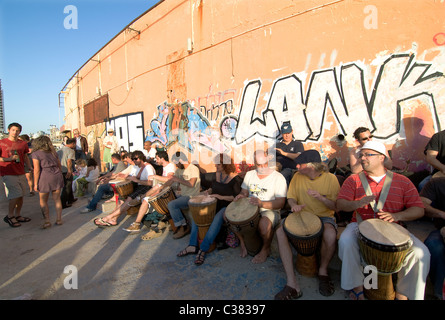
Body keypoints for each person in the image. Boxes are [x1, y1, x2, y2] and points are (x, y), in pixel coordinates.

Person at [337, 140, 430, 300]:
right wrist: (356, 204)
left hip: (393, 229)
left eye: (368, 155)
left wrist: (397, 216)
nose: (362, 158)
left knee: (421, 253)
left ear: (381, 158)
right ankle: (358, 289)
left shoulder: (403, 181)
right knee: (346, 241)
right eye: (361, 155)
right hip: (359, 225)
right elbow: (340, 204)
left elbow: (418, 209)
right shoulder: (353, 180)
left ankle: (404, 294)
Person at [274, 150, 340, 299]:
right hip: (301, 215)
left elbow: (335, 207)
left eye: (300, 164)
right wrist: (293, 205)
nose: (296, 166)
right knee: (280, 231)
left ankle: (323, 272)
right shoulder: (297, 176)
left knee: (330, 235)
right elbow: (291, 198)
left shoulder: (331, 179)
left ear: (311, 166)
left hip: (323, 217)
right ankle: (292, 284)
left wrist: (321, 198)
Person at [177, 153, 242, 265]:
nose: (215, 167)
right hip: (214, 203)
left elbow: (235, 197)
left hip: (228, 206)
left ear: (226, 164)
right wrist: (209, 191)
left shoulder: (235, 178)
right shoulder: (218, 174)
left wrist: (220, 196)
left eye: (218, 165)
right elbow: (214, 187)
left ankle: (203, 249)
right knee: (198, 215)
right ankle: (192, 245)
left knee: (217, 219)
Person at [233, 149, 287, 264]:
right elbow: (244, 192)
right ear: (254, 162)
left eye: (265, 164)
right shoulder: (249, 174)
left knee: (264, 224)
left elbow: (281, 203)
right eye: (259, 164)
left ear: (268, 160)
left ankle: (265, 248)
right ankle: (243, 243)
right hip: (250, 208)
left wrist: (261, 203)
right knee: (227, 216)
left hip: (269, 209)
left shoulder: (278, 178)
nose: (262, 167)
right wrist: (240, 196)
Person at [94, 151, 155, 227]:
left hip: (146, 188)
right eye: (133, 159)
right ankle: (113, 219)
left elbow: (151, 183)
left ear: (141, 158)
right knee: (122, 198)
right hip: (138, 186)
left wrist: (137, 180)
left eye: (135, 159)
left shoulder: (148, 167)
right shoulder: (136, 167)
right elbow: (131, 176)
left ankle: (108, 217)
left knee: (129, 199)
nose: (134, 160)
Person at [123, 150, 176, 235]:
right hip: (162, 189)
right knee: (146, 198)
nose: (156, 160)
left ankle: (138, 203)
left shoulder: (171, 166)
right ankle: (136, 223)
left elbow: (169, 179)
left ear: (162, 158)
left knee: (155, 188)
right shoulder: (164, 167)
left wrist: (155, 176)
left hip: (169, 190)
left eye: (157, 158)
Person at [0, 122, 33, 227]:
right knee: (15, 194)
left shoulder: (22, 143)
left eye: (17, 130)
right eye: (13, 130)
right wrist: (8, 159)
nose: (15, 132)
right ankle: (10, 216)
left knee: (21, 195)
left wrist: (29, 166)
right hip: (8, 173)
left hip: (21, 171)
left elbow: (25, 156)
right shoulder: (1, 143)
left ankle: (18, 215)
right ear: (9, 130)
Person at [419, 176, 445, 300]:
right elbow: (421, 206)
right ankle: (438, 291)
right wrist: (441, 214)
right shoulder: (437, 183)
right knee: (434, 245)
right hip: (442, 230)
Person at [31, 136, 65, 228]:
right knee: (57, 199)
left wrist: (35, 184)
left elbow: (37, 170)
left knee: (43, 201)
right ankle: (59, 219)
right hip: (57, 175)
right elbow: (59, 165)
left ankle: (47, 221)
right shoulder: (53, 152)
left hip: (45, 176)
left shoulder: (36, 154)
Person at [167, 151, 201, 239]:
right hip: (183, 195)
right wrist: (161, 187)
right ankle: (177, 223)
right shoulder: (179, 170)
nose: (176, 166)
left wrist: (178, 180)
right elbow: (172, 180)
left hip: (192, 196)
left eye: (176, 163)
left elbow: (191, 184)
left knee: (172, 204)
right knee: (168, 200)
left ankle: (184, 227)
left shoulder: (193, 168)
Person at [57, 138, 77, 209]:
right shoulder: (71, 151)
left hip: (60, 170)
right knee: (67, 187)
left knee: (69, 185)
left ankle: (71, 199)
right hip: (66, 170)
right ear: (72, 143)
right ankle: (63, 203)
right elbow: (69, 161)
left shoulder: (59, 150)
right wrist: (69, 170)